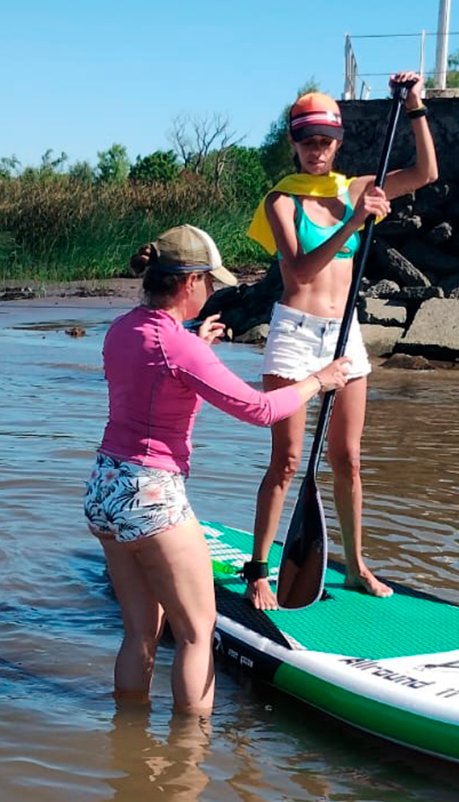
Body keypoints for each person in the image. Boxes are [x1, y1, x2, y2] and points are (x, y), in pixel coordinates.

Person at [84, 224, 351, 715]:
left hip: (105, 486)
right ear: (189, 282)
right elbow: (261, 410)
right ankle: (190, 751)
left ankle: (129, 736)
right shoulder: (180, 348)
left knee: (141, 631)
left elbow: (156, 371)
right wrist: (319, 380)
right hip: (151, 492)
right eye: (209, 282)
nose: (212, 291)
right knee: (196, 631)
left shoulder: (121, 329)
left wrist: (195, 343)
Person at [244, 72, 439, 610]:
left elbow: (425, 172)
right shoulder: (281, 201)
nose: (317, 150)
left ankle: (354, 567)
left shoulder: (356, 187)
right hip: (295, 335)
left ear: (338, 142)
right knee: (287, 460)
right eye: (307, 141)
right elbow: (299, 273)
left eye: (325, 141)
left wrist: (415, 105)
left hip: (344, 335)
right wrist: (354, 224)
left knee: (348, 459)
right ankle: (258, 570)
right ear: (293, 143)